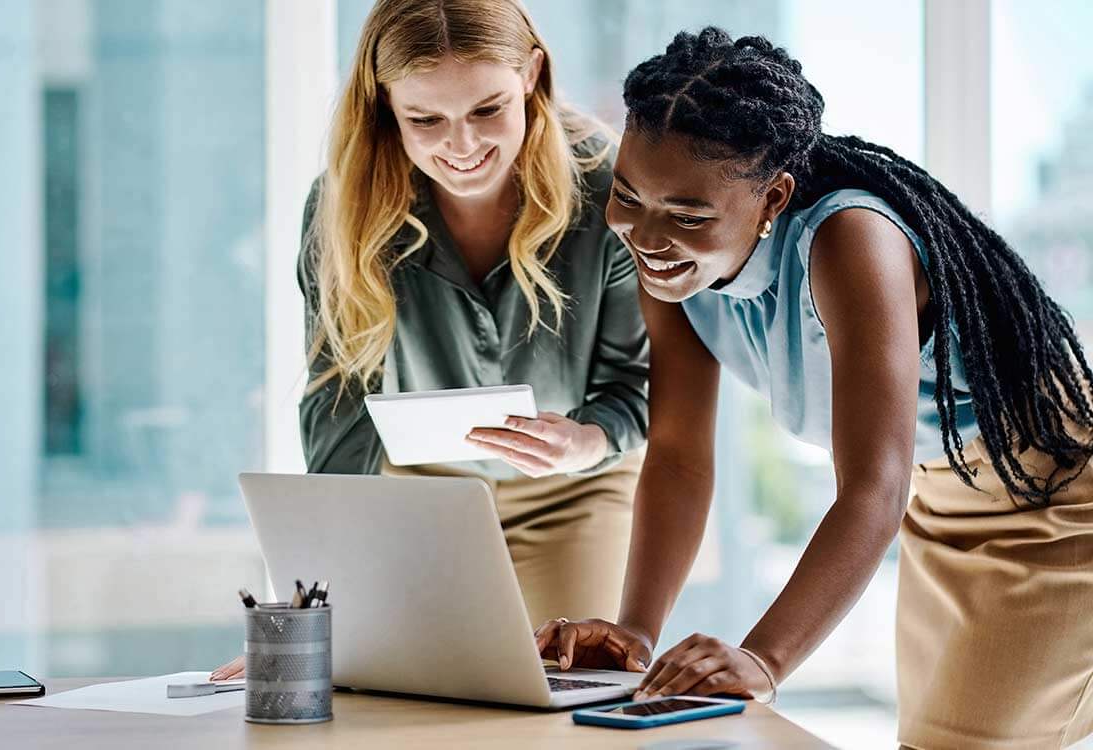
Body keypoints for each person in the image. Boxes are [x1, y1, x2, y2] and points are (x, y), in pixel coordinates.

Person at [535, 28, 1093, 750]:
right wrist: (636, 633)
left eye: (688, 214)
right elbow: (677, 455)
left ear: (774, 197)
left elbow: (872, 487)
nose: (645, 233)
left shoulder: (851, 240)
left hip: (1054, 493)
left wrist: (763, 660)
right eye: (628, 195)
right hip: (942, 496)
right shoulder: (670, 268)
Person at [210, 0, 648, 682]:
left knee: (574, 694)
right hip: (420, 495)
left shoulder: (608, 185)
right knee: (400, 692)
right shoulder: (344, 207)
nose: (463, 145)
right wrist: (315, 609)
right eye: (425, 119)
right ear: (386, 106)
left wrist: (588, 439)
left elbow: (636, 386)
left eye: (486, 110)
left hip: (576, 488)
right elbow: (340, 405)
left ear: (532, 73)